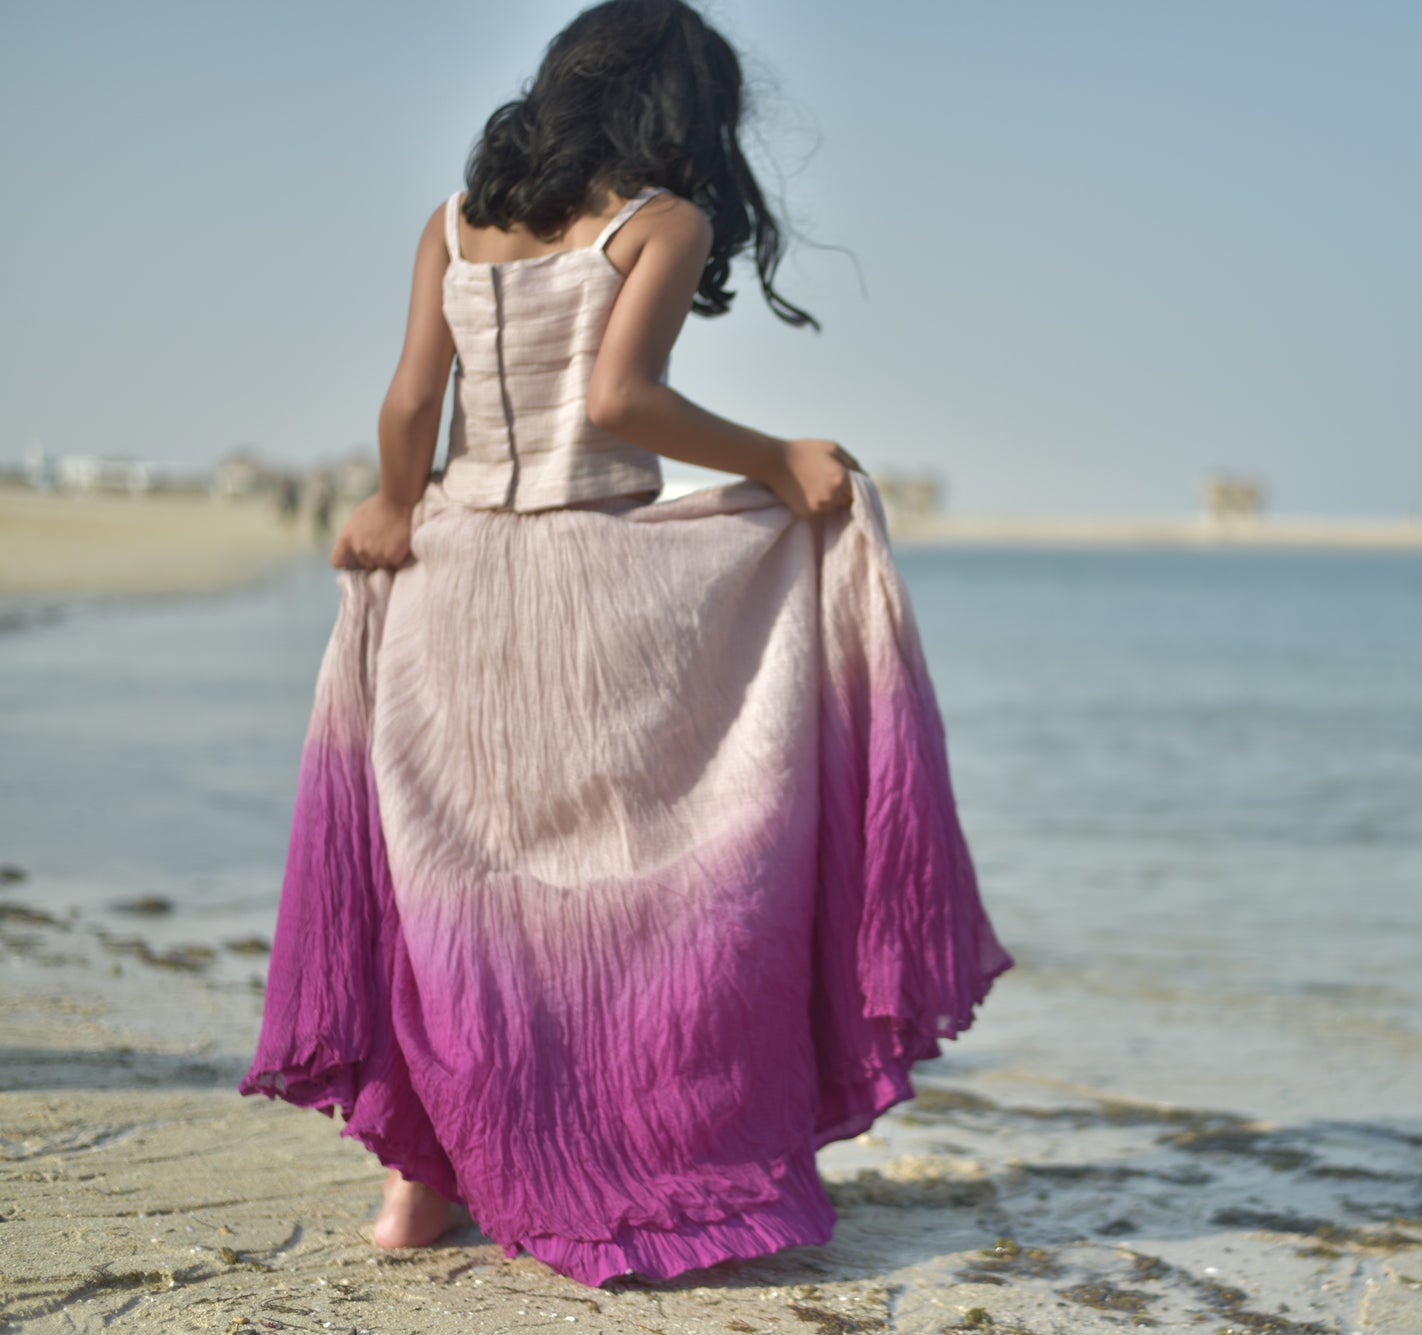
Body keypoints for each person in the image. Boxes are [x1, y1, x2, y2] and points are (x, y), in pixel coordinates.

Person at [238, 0, 1012, 1288]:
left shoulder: (456, 216)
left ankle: (416, 1185)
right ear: (682, 109)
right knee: (660, 880)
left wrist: (387, 503)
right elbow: (620, 400)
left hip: (453, 571)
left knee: (464, 884)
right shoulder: (663, 220)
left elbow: (412, 398)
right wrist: (780, 460)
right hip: (595, 582)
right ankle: (649, 1149)